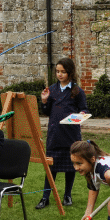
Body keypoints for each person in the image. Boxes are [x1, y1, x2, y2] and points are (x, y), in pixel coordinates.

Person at [36, 57, 88, 209]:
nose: (59, 74)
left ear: (70, 73)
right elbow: (45, 112)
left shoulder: (77, 91)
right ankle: (45, 197)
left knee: (70, 167)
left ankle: (67, 195)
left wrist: (82, 114)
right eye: (57, 71)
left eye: (63, 72)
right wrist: (44, 101)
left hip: (71, 135)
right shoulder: (51, 90)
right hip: (55, 135)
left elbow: (84, 109)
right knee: (50, 167)